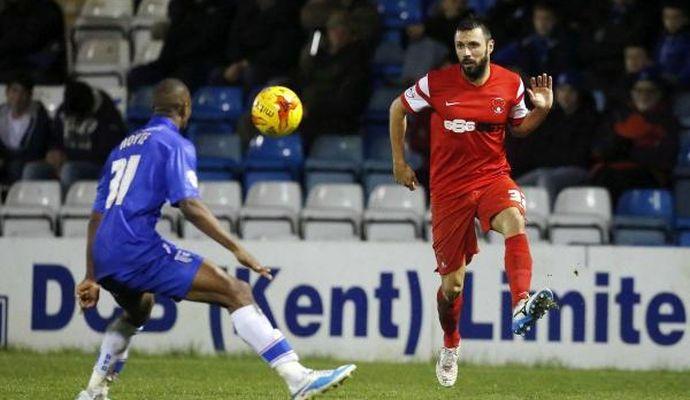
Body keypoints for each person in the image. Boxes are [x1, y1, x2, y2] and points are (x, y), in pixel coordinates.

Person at [74, 79, 355, 400]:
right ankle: (297, 378)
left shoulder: (122, 147)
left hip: (105, 253)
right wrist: (237, 249)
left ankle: (94, 391)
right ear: (185, 108)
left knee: (140, 309)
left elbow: (97, 216)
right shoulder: (173, 143)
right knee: (236, 291)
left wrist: (91, 275)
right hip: (136, 249)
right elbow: (189, 205)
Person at [389, 16, 558, 388]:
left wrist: (541, 110)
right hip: (449, 191)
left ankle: (520, 303)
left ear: (490, 47)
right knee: (452, 289)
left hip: (492, 176)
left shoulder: (510, 83)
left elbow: (518, 128)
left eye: (473, 46)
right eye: (461, 46)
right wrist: (399, 163)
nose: (466, 53)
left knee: (514, 219)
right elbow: (397, 109)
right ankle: (450, 344)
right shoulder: (436, 82)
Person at [0, 73, 52, 184]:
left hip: (27, 161)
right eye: (14, 91)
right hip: (5, 160)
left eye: (23, 92)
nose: (18, 97)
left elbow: (37, 149)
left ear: (30, 95)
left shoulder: (39, 116)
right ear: (7, 93)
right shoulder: (1, 114)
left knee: (16, 166)